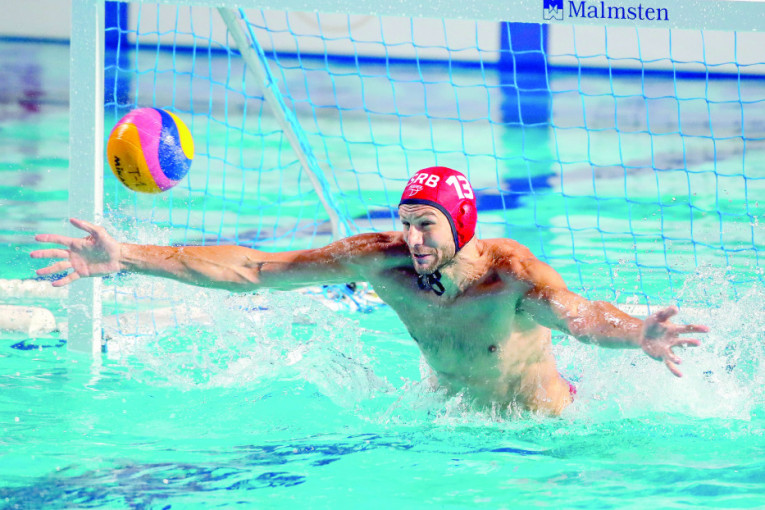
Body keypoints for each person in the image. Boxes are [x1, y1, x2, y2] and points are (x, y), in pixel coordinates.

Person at [31, 166, 708, 415]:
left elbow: (578, 316)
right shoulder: (380, 262)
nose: (412, 239)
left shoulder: (508, 275)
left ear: (461, 226)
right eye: (406, 222)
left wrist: (637, 333)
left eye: (426, 225)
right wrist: (126, 257)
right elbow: (256, 269)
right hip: (448, 424)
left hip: (545, 431)